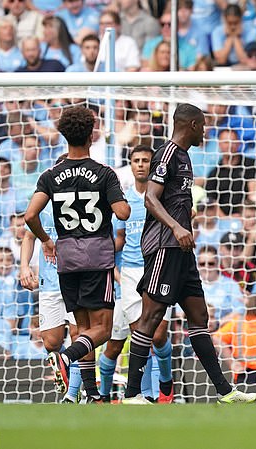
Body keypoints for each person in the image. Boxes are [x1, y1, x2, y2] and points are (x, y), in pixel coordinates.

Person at [122, 103, 256, 404]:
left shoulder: (184, 157)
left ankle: (225, 391)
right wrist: (176, 226)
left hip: (181, 250)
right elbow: (150, 199)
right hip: (164, 248)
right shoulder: (167, 154)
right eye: (204, 125)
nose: (206, 131)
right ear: (193, 125)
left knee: (199, 316)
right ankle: (132, 393)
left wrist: (186, 216)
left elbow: (168, 200)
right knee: (151, 317)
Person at [24, 105, 131, 402]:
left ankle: (92, 394)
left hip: (66, 258)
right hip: (97, 257)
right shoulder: (104, 173)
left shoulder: (50, 174)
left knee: (83, 328)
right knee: (103, 330)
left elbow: (30, 215)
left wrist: (46, 240)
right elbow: (122, 214)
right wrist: (115, 197)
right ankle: (67, 358)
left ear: (62, 134)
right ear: (92, 133)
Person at [99, 145, 175, 403]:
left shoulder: (163, 197)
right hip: (131, 272)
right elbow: (119, 238)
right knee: (140, 335)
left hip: (159, 267)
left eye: (146, 160)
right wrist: (103, 257)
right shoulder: (124, 201)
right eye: (136, 160)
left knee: (160, 335)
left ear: (153, 165)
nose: (141, 164)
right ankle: (147, 395)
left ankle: (166, 380)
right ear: (131, 165)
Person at [20, 189, 82, 403]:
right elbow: (28, 236)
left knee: (78, 336)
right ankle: (68, 369)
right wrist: (24, 267)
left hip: (77, 283)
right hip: (49, 284)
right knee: (50, 343)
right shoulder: (41, 206)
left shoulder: (82, 202)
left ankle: (73, 394)